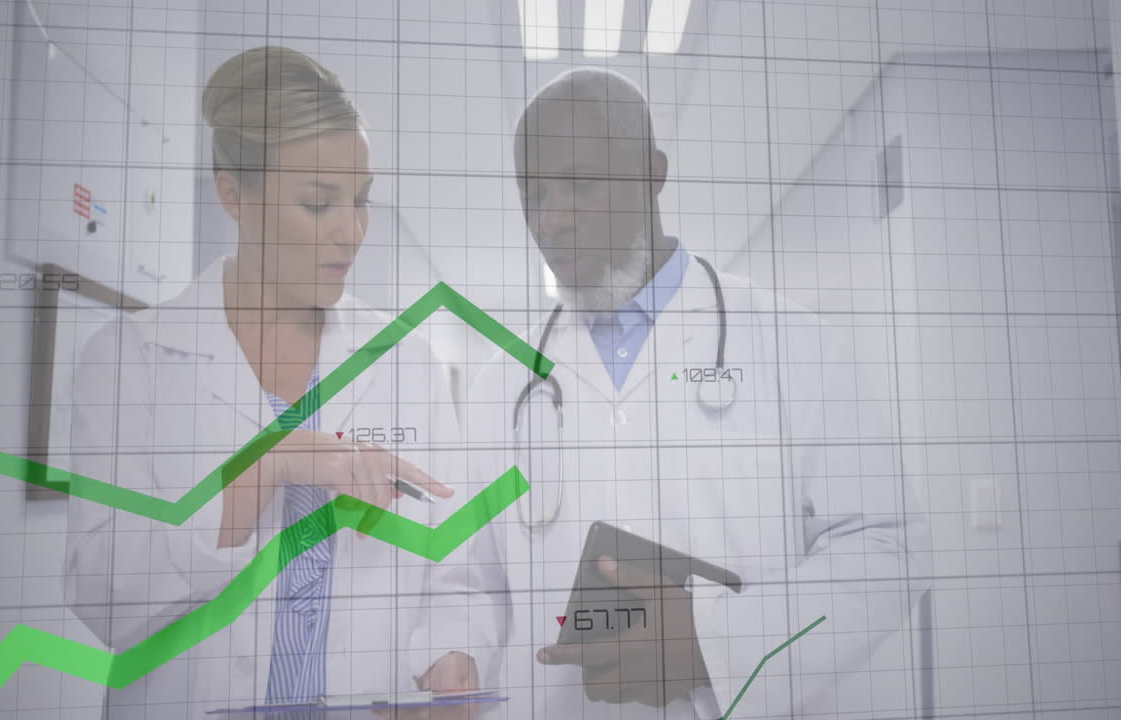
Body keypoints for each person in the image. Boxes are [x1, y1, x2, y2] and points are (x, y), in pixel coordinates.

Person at [445, 67, 931, 718]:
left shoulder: (794, 346)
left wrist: (714, 639)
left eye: (580, 185)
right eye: (532, 195)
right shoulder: (500, 385)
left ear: (652, 172)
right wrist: (454, 659)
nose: (552, 220)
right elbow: (468, 583)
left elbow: (888, 549)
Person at [62, 46, 494, 718]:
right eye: (318, 204)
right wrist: (257, 475)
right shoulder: (129, 360)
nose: (351, 233)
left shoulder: (406, 364)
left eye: (361, 201)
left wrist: (452, 655)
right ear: (233, 193)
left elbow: (457, 572)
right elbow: (100, 592)